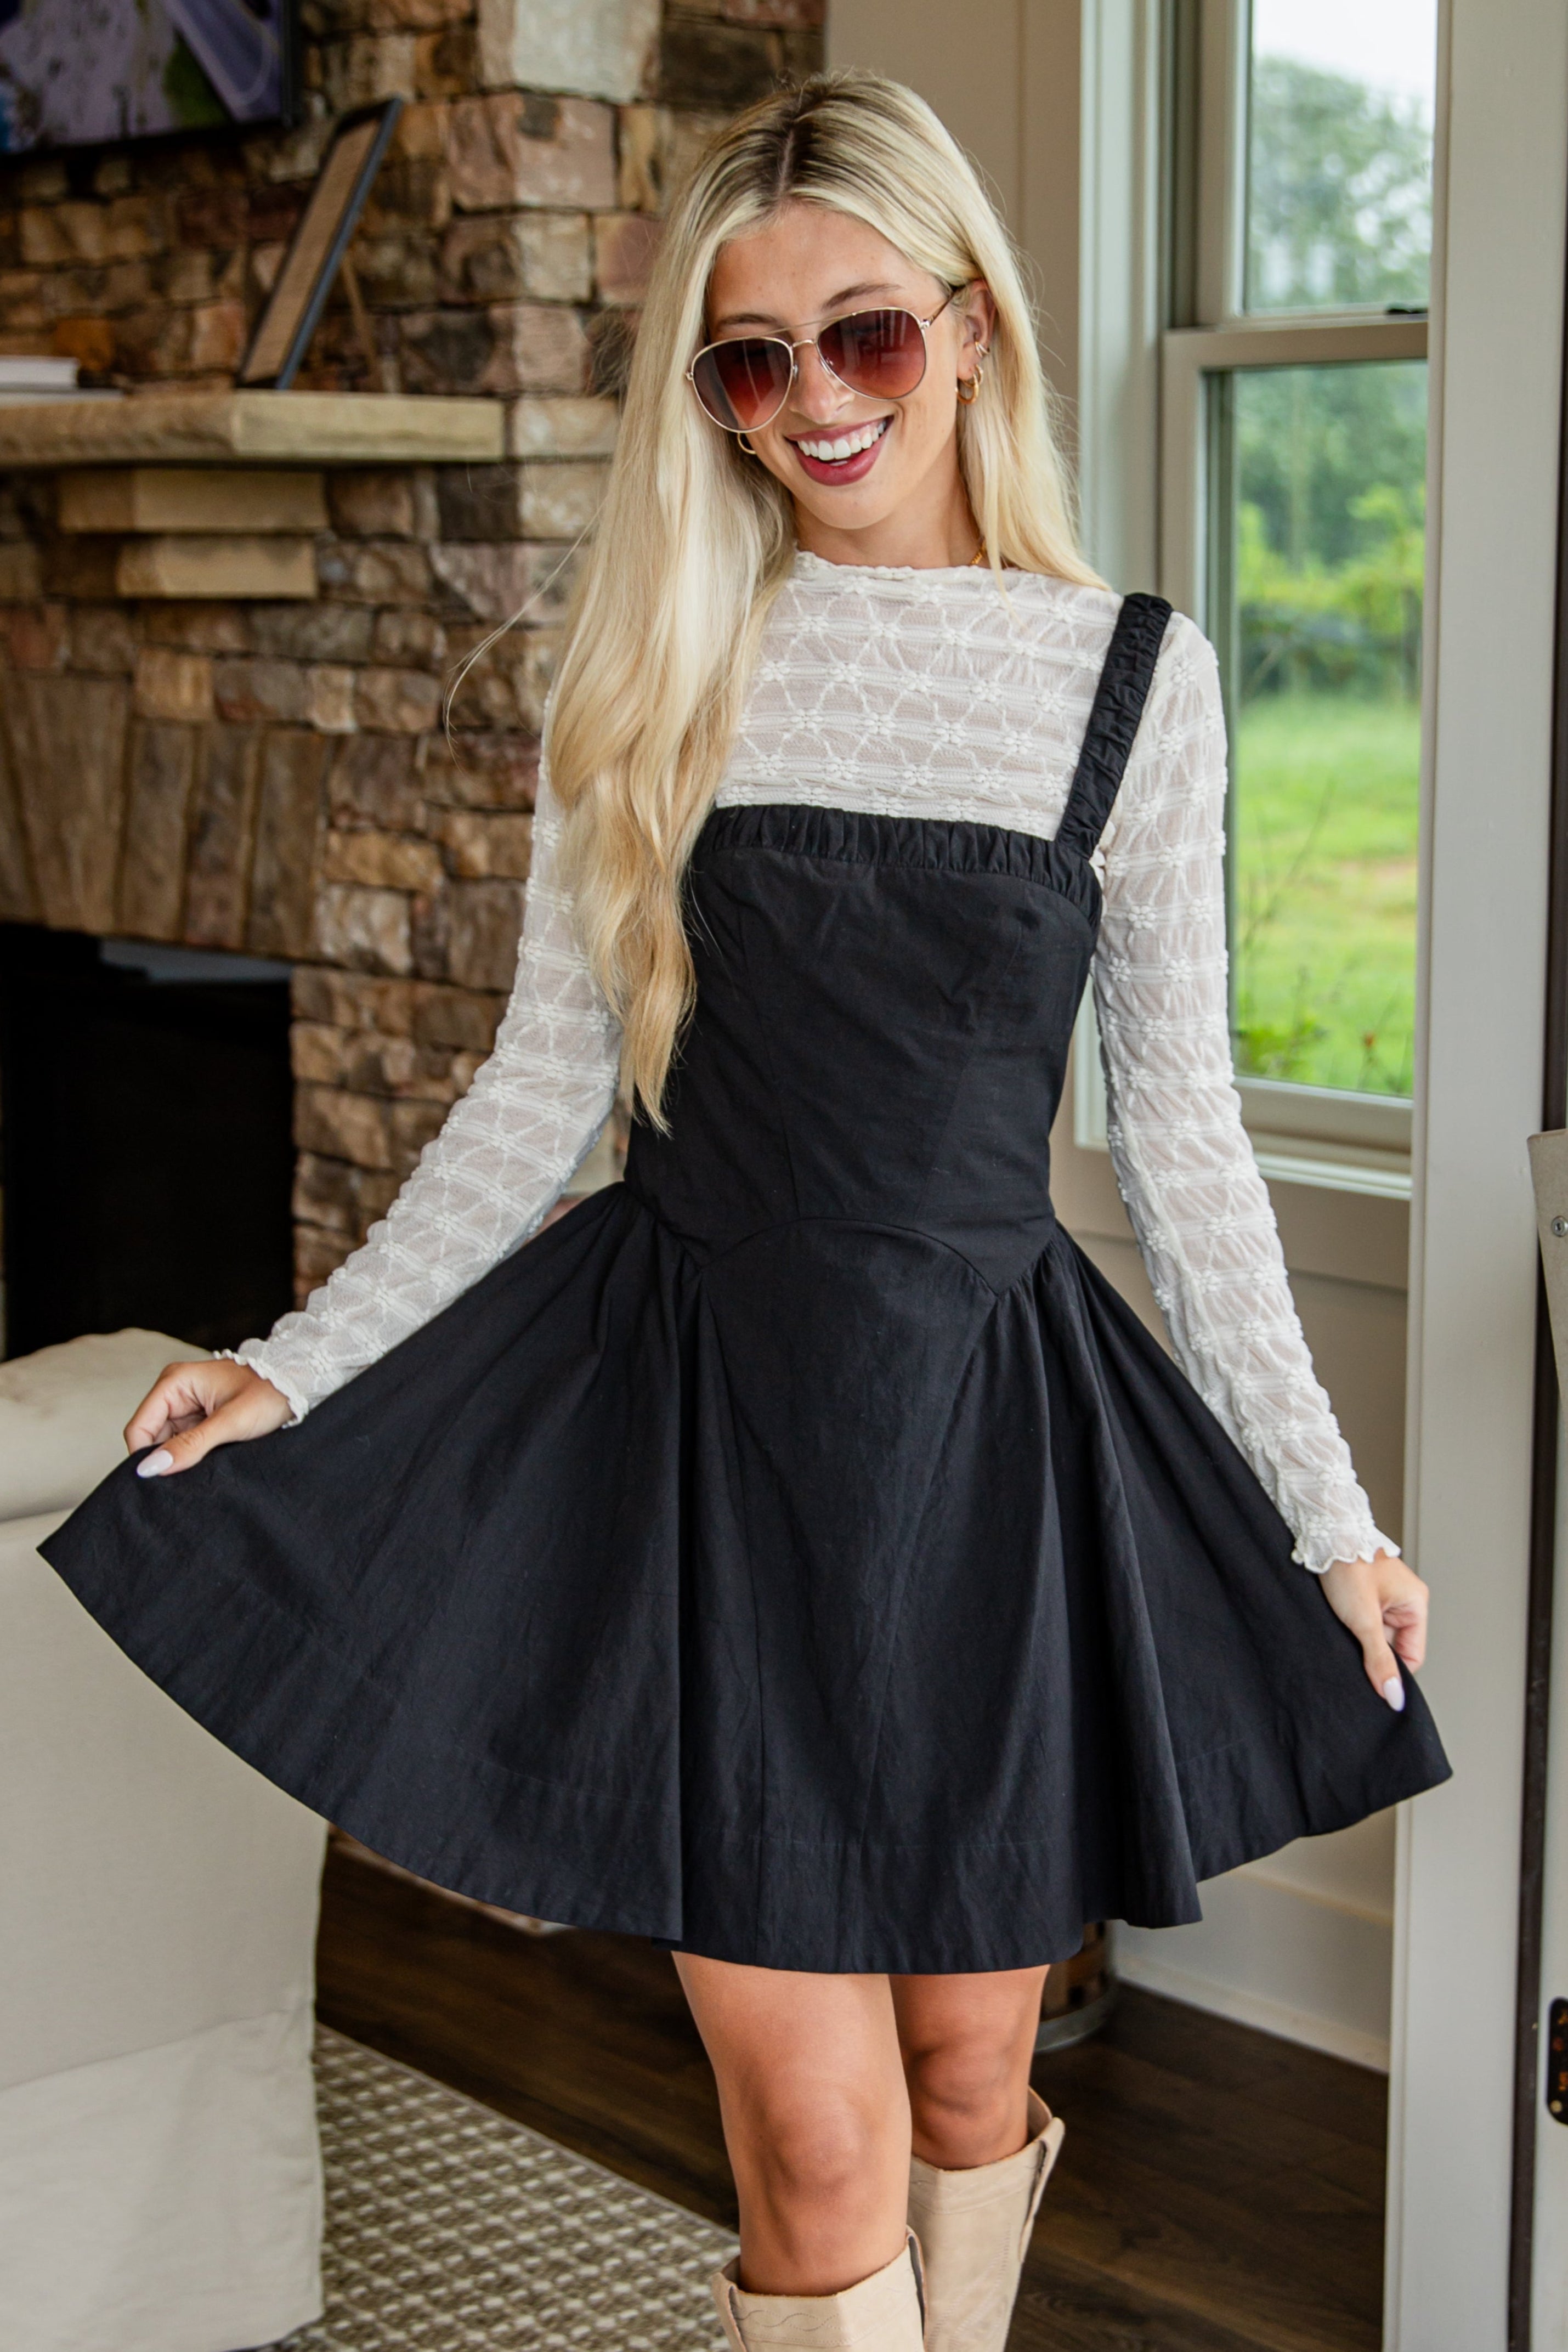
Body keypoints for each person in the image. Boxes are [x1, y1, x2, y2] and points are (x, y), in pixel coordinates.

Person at [44, 72, 1448, 2352]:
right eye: (751, 359)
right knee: (812, 2147)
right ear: (707, 390)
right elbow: (531, 1095)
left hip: (987, 1461)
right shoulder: (655, 669)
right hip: (701, 1451)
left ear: (972, 328)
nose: (813, 404)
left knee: (975, 2066)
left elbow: (1185, 1146)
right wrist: (294, 1356)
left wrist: (1325, 1515)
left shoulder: (1130, 684)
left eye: (865, 337)